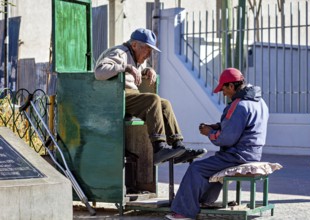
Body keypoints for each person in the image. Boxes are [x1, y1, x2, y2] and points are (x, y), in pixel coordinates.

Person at [165, 68, 269, 220]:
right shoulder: (259, 102)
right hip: (253, 153)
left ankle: (184, 212)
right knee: (212, 165)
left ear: (232, 86)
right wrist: (217, 126)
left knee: (196, 168)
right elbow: (245, 127)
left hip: (237, 155)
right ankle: (205, 202)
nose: (223, 93)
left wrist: (209, 132)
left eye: (224, 89)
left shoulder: (239, 105)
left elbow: (226, 139)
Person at [94, 28, 207, 165]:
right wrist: (126, 67)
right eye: (147, 49)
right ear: (134, 45)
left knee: (164, 103)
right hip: (115, 98)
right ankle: (159, 148)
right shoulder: (120, 52)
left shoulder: (135, 56)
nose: (149, 54)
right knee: (152, 99)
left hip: (128, 97)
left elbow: (137, 71)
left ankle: (178, 146)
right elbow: (99, 72)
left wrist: (147, 70)